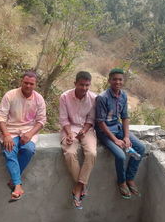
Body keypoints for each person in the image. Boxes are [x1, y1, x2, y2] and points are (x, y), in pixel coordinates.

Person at [0, 71, 46, 202]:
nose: (28, 86)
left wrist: (29, 134)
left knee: (28, 150)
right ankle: (18, 185)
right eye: (26, 83)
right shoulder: (10, 95)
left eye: (31, 84)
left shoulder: (39, 99)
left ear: (36, 84)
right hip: (10, 131)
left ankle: (13, 182)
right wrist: (6, 135)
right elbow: (0, 117)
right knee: (9, 150)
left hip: (28, 132)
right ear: (21, 82)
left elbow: (41, 121)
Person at [95, 68, 145, 199]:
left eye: (120, 79)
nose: (117, 82)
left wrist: (126, 136)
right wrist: (116, 140)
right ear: (109, 80)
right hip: (104, 132)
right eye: (115, 79)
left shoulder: (123, 95)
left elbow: (125, 117)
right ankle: (121, 181)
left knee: (140, 147)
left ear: (123, 81)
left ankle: (130, 178)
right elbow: (100, 123)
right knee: (121, 156)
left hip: (118, 128)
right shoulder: (102, 98)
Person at [59, 71, 97, 209]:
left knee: (92, 153)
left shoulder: (93, 98)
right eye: (82, 85)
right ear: (75, 83)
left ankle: (78, 187)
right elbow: (63, 119)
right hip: (68, 129)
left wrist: (84, 131)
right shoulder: (64, 97)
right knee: (69, 153)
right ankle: (82, 186)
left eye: (87, 85)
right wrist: (69, 134)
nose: (84, 88)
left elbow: (91, 119)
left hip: (86, 130)